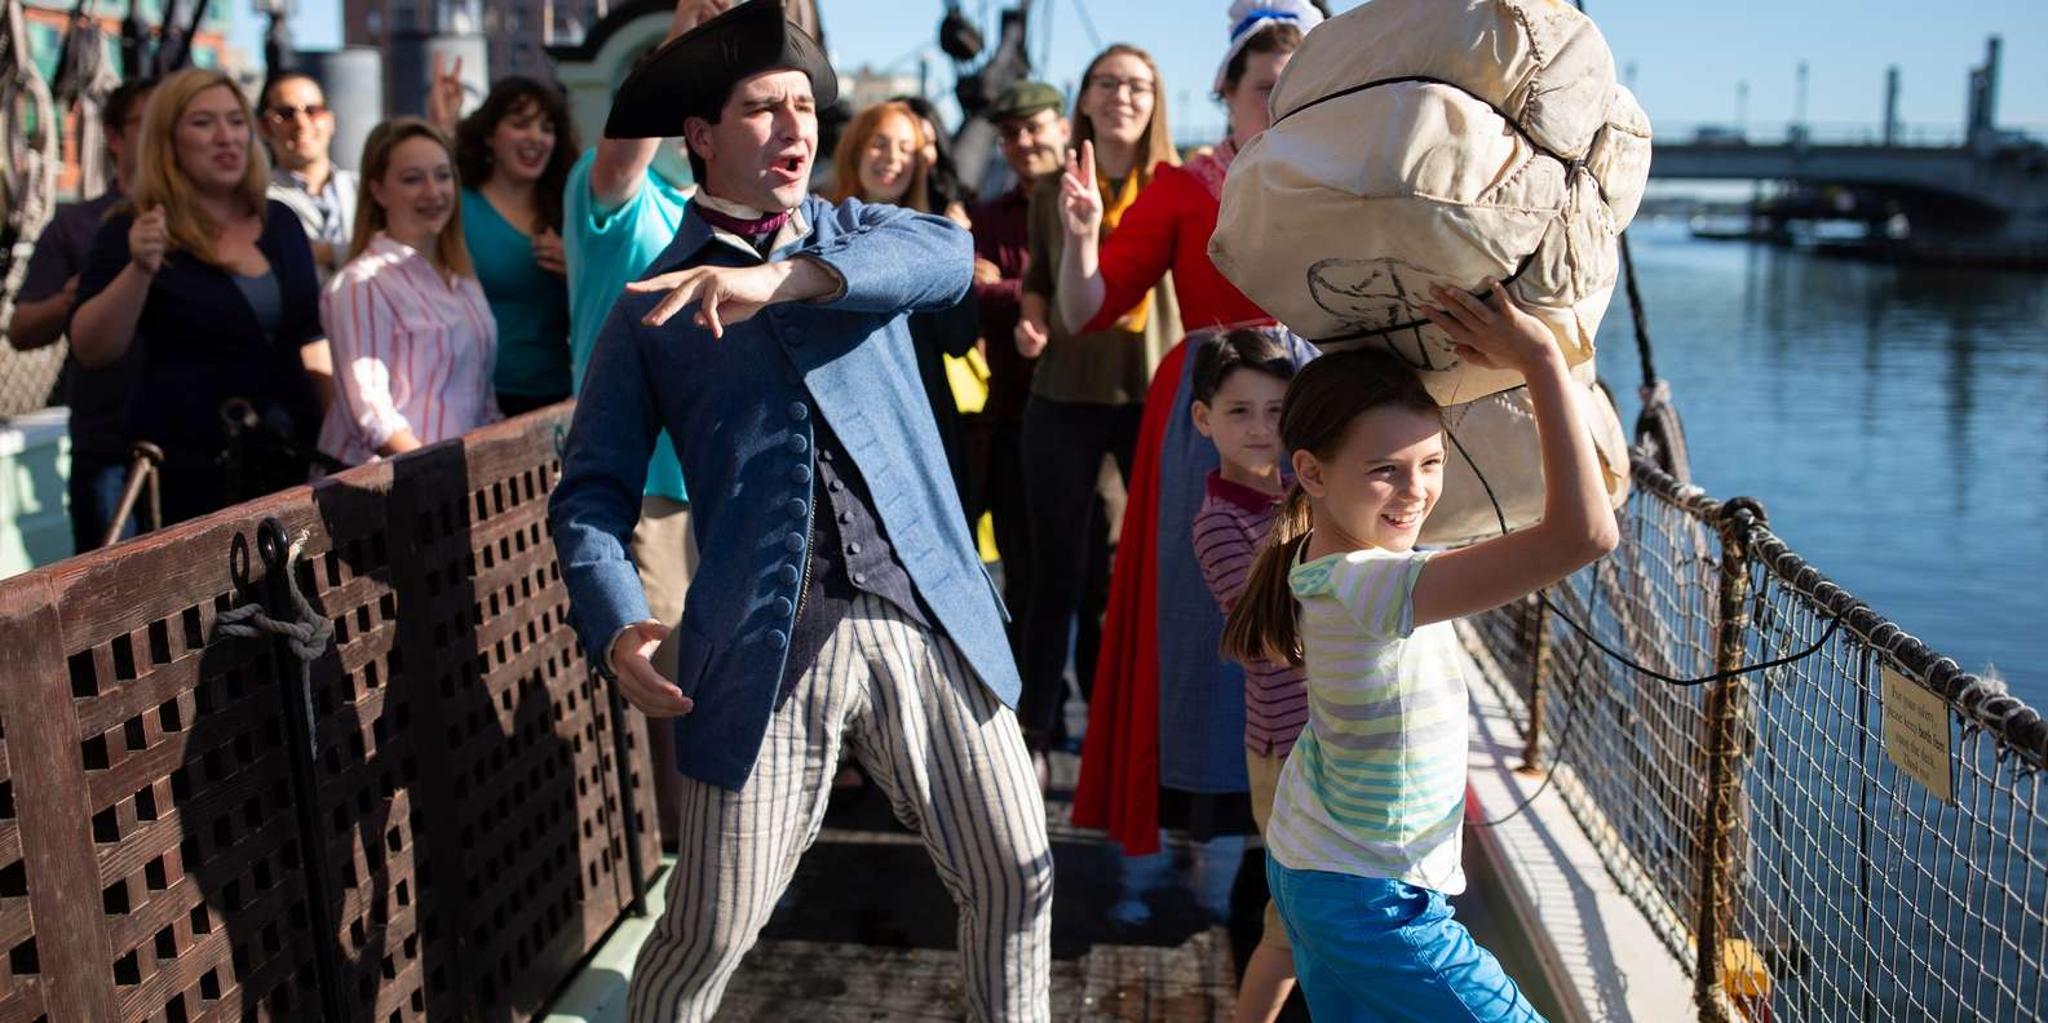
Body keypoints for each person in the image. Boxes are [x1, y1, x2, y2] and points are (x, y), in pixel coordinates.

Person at [547, 4, 1051, 1019]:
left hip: (929, 616)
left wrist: (782, 280)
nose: (793, 128)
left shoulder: (861, 233)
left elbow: (947, 264)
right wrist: (613, 623)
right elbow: (589, 491)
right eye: (760, 109)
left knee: (1017, 875)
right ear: (699, 137)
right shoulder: (650, 301)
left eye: (801, 107)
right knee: (707, 931)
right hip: (761, 645)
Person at [1219, 284, 1617, 1022]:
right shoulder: (1373, 586)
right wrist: (1539, 359)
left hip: (1320, 865)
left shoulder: (1327, 556)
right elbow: (1584, 535)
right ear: (1311, 472)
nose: (1417, 492)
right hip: (1374, 899)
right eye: (1387, 470)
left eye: (1432, 462)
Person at [1069, 0, 1320, 859]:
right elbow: (1091, 308)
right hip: (1208, 416)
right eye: (1266, 89)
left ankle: (1311, 804)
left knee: (1317, 610)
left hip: (1321, 409)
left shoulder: (1346, 186)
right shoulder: (1182, 187)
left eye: (1301, 90)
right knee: (1203, 616)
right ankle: (1200, 811)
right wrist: (1076, 241)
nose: (1280, 108)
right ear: (1227, 89)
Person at [1012, 42, 1183, 779]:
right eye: (1107, 82)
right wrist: (1030, 315)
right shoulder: (1053, 186)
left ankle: (1122, 737)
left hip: (1152, 397)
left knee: (1130, 580)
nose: (1122, 95)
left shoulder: (1178, 183)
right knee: (1054, 573)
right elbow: (1044, 276)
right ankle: (1037, 730)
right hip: (1065, 394)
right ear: (1083, 99)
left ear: (1157, 102)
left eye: (1138, 85)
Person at [560, 0, 702, 851]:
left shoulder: (715, 221)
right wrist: (683, 41)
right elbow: (625, 149)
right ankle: (688, 868)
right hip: (649, 487)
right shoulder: (608, 196)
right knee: (671, 680)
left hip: (718, 476)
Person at [71, 68, 327, 526]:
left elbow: (310, 338)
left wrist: (335, 440)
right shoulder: (130, 227)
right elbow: (92, 348)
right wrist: (139, 269)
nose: (225, 137)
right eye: (203, 123)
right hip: (189, 477)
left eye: (235, 121)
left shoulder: (282, 223)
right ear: (168, 139)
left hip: (287, 463)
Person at [1186, 328, 1307, 1022]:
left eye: (1276, 410)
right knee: (1284, 907)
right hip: (1284, 741)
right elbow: (1266, 635)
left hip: (1321, 730)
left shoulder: (1303, 490)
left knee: (1296, 894)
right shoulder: (1218, 523)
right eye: (1239, 411)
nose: (1261, 428)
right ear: (1205, 420)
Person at [8, 76, 154, 551]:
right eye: (148, 121)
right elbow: (22, 328)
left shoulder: (211, 221)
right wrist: (76, 296)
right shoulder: (77, 225)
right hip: (110, 445)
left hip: (196, 445)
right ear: (114, 137)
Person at [316, 118, 497, 466]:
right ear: (378, 190)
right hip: (386, 495)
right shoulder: (360, 284)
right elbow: (371, 418)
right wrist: (441, 475)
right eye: (413, 179)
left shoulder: (462, 277)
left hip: (453, 484)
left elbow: (481, 397)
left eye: (443, 176)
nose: (433, 191)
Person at [827, 100, 979, 512]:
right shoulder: (816, 226)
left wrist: (955, 261)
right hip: (843, 421)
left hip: (921, 420)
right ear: (856, 148)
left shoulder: (934, 237)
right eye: (880, 143)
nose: (892, 158)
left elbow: (959, 339)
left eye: (907, 149)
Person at [967, 80, 1067, 653]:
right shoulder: (987, 215)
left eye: (1033, 128)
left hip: (1084, 411)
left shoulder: (1091, 200)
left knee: (1088, 579)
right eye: (1010, 134)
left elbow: (1084, 301)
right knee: (1023, 575)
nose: (1023, 142)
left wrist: (1004, 286)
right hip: (1013, 417)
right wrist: (1032, 295)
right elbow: (965, 296)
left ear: (1062, 127)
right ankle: (1033, 722)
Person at [450, 76, 576, 415]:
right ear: (489, 135)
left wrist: (575, 270)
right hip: (478, 398)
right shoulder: (458, 207)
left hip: (557, 398)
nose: (536, 137)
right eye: (520, 124)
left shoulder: (569, 212)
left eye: (547, 128)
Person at [259, 70, 357, 278]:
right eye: (286, 114)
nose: (302, 124)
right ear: (264, 128)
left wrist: (328, 252)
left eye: (312, 111)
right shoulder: (256, 201)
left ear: (330, 121)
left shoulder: (367, 188)